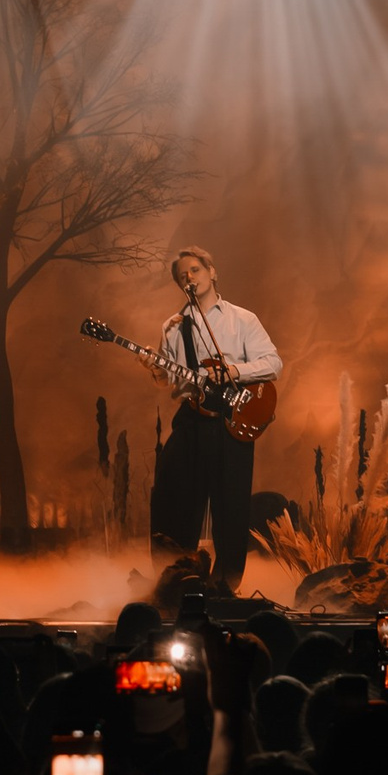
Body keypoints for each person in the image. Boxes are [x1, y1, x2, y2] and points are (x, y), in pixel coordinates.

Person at [147, 246, 280, 594]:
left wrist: (235, 369)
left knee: (231, 507)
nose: (188, 277)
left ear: (212, 272)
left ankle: (225, 587)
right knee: (174, 497)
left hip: (231, 423)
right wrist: (158, 368)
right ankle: (177, 581)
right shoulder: (174, 326)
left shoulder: (243, 319)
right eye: (182, 275)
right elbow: (170, 382)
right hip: (191, 419)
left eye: (194, 270)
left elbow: (272, 363)